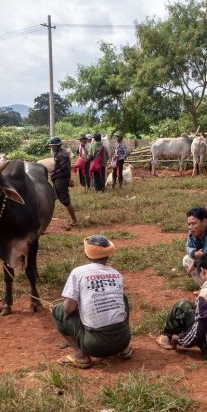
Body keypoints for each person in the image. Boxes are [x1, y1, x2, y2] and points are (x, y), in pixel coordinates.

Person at [52, 235, 133, 368]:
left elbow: (68, 309)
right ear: (108, 255)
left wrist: (79, 305)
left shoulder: (78, 273)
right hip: (123, 340)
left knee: (58, 310)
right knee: (122, 299)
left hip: (94, 346)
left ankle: (81, 355)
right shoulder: (117, 274)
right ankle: (124, 349)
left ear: (86, 254)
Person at [48, 137, 79, 230]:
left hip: (61, 180)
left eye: (52, 146)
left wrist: (69, 180)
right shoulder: (60, 153)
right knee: (52, 198)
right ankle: (45, 220)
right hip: (57, 179)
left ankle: (74, 221)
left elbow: (66, 169)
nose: (51, 147)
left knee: (65, 200)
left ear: (57, 146)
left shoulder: (62, 155)